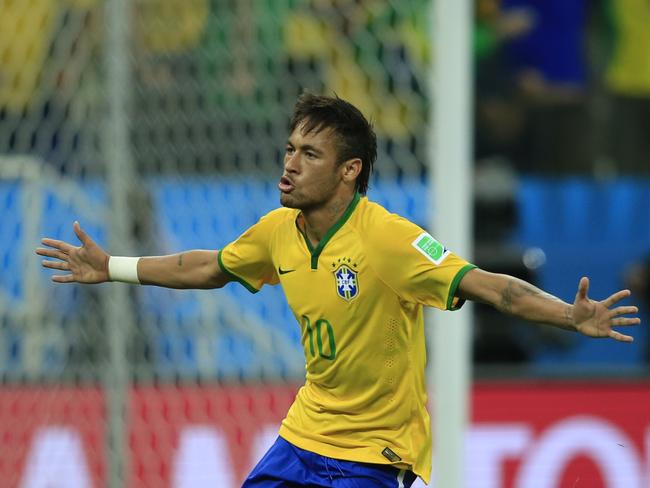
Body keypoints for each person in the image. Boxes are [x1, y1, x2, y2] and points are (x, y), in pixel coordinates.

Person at [36, 94, 640, 487]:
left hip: (376, 456)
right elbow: (208, 267)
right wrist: (111, 265)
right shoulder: (278, 232)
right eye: (290, 149)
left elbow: (491, 288)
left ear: (349, 170)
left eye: (310, 154)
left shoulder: (389, 241)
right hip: (303, 439)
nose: (291, 164)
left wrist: (570, 315)